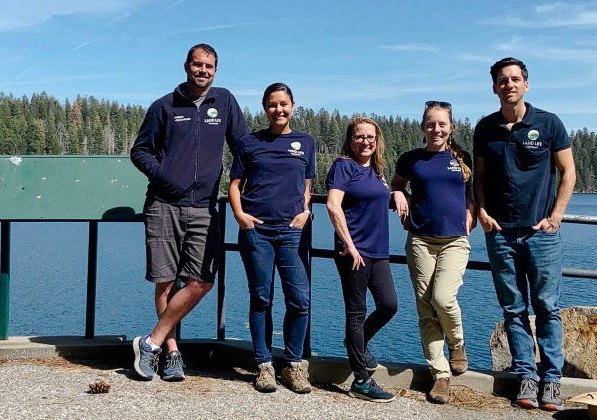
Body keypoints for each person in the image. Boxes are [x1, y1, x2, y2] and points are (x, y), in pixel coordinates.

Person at [130, 43, 248, 381]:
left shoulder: (224, 101)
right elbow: (140, 152)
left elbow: (242, 147)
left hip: (205, 207)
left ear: (215, 70)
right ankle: (171, 354)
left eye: (209, 66)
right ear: (186, 66)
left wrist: (251, 183)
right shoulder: (164, 106)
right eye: (198, 65)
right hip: (164, 204)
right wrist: (166, 178)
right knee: (166, 281)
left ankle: (150, 342)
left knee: (202, 281)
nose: (203, 71)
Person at [473, 57, 576, 411]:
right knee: (513, 309)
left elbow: (568, 172)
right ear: (494, 87)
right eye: (503, 80)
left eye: (515, 79)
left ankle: (552, 381)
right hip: (500, 233)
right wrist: (482, 211)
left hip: (540, 234)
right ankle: (526, 377)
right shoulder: (485, 128)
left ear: (526, 84)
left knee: (547, 307)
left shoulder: (548, 123)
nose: (509, 85)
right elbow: (479, 177)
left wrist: (556, 215)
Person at [228, 83, 315, 394]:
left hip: (292, 231)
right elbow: (235, 184)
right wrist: (240, 216)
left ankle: (293, 365)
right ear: (265, 108)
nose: (279, 109)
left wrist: (305, 211)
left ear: (293, 106)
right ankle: (264, 365)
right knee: (262, 298)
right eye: (272, 104)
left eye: (283, 104)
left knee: (300, 300)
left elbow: (306, 184)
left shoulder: (306, 143)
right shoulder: (250, 143)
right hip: (258, 232)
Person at [390, 101, 474, 404]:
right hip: (420, 241)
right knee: (426, 309)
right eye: (430, 124)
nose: (436, 129)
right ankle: (440, 374)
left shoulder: (461, 158)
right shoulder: (411, 158)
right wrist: (399, 194)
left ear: (451, 127)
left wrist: (470, 217)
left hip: (454, 241)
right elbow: (396, 184)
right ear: (423, 127)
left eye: (441, 124)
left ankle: (457, 343)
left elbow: (471, 195)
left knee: (442, 298)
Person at [325, 117, 399, 403]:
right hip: (353, 251)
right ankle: (361, 381)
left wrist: (397, 194)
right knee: (356, 312)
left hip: (378, 250)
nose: (365, 142)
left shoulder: (377, 170)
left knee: (389, 305)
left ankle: (356, 342)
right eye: (359, 137)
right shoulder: (344, 166)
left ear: (377, 141)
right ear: (350, 140)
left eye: (371, 137)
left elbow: (377, 198)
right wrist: (349, 244)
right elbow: (333, 205)